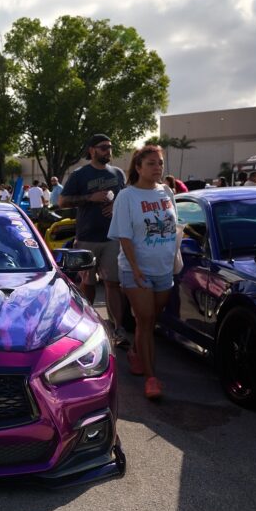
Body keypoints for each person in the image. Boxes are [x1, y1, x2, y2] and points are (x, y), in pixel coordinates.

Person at [108, 144, 177, 400]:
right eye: (151, 163)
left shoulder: (167, 192)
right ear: (138, 167)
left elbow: (172, 228)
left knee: (150, 319)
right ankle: (151, 378)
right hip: (136, 270)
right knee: (146, 321)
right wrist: (136, 269)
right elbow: (124, 237)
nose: (158, 167)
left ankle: (137, 353)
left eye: (159, 163)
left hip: (164, 268)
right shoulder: (127, 196)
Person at [59, 134, 127, 343]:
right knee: (87, 283)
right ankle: (82, 329)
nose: (108, 151)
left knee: (112, 283)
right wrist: (90, 197)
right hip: (87, 237)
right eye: (103, 147)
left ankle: (117, 330)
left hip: (112, 237)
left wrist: (116, 204)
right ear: (92, 150)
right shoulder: (80, 174)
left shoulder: (118, 173)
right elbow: (62, 202)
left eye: (110, 147)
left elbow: (125, 198)